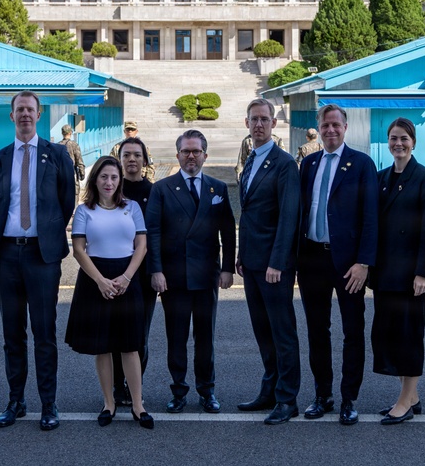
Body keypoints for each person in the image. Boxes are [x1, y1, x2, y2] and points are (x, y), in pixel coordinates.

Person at [0, 91, 75, 431]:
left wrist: (47, 231)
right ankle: (16, 401)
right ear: (11, 116)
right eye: (19, 109)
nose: (25, 114)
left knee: (44, 332)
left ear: (39, 115)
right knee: (12, 334)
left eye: (30, 109)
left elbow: (66, 201)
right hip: (8, 254)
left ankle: (48, 404)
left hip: (42, 255)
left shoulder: (57, 154)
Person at [297, 104, 378, 425]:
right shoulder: (309, 163)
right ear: (318, 128)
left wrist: (364, 262)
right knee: (317, 330)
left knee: (352, 331)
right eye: (325, 125)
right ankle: (323, 395)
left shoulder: (361, 164)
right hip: (312, 259)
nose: (330, 130)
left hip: (348, 263)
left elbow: (371, 217)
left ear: (345, 128)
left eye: (336, 125)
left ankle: (348, 398)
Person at [145, 130, 236, 414]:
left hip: (207, 275)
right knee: (177, 337)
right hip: (174, 277)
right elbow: (152, 233)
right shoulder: (162, 188)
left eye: (196, 151)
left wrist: (228, 268)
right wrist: (156, 270)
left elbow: (228, 232)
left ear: (205, 155)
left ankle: (207, 391)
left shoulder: (217, 188)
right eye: (186, 151)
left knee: (206, 338)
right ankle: (179, 390)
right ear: (178, 155)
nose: (191, 156)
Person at [65, 156, 155, 429]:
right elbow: (79, 250)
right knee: (102, 347)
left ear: (120, 181)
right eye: (104, 177)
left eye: (114, 177)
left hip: (127, 277)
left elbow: (141, 246)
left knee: (130, 345)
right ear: (95, 179)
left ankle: (138, 405)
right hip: (95, 279)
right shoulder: (84, 210)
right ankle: (109, 403)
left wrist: (127, 277)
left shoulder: (132, 207)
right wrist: (101, 281)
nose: (109, 182)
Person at [235, 99, 302, 425]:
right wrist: (241, 254)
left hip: (274, 266)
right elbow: (249, 213)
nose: (259, 124)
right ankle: (270, 389)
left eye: (264, 119)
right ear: (246, 123)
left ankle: (287, 399)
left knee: (282, 332)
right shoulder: (250, 159)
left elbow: (289, 217)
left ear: (274, 123)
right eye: (254, 119)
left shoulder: (284, 163)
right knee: (263, 331)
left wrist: (278, 262)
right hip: (252, 262)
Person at [370, 118, 425, 425]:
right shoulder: (380, 177)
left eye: (404, 138)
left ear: (413, 142)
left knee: (410, 336)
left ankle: (404, 402)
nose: (398, 144)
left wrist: (423, 272)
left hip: (413, 274)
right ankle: (411, 396)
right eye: (393, 138)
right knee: (390, 336)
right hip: (386, 272)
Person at [110, 136, 156, 407]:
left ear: (145, 160)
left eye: (137, 155)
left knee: (139, 336)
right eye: (126, 155)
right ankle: (116, 386)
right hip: (113, 274)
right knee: (115, 334)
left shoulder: (155, 192)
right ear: (119, 160)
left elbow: (156, 236)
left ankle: (132, 386)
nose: (132, 160)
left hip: (143, 276)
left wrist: (158, 271)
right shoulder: (110, 190)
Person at [59, 124, 85, 206]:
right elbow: (79, 161)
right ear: (70, 133)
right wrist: (82, 174)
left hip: (60, 176)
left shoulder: (57, 145)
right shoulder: (74, 145)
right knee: (74, 196)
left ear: (62, 133)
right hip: (72, 174)